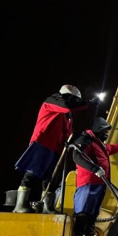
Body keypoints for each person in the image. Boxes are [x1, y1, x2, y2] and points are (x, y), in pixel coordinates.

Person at [14, 85, 94, 213]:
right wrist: (86, 103)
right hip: (43, 142)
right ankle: (20, 204)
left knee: (52, 177)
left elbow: (67, 131)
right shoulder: (53, 100)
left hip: (56, 147)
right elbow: (67, 106)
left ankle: (47, 206)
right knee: (33, 171)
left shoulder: (67, 115)